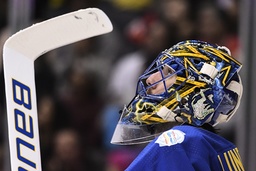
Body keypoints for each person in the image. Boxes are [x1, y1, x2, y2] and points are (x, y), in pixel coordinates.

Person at [111, 40, 244, 170]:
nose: (150, 79)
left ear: (198, 91)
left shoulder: (177, 142)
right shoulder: (212, 145)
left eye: (169, 73)